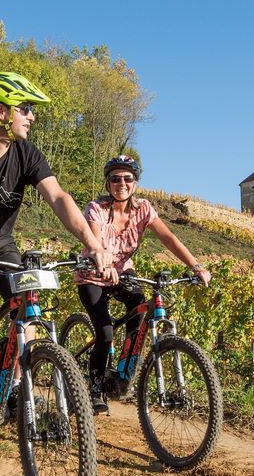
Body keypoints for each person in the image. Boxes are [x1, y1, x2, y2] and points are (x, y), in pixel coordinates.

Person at [0, 71, 113, 407]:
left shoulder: (27, 153)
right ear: (1, 111)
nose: (32, 116)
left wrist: (93, 243)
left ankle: (15, 385)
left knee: (27, 305)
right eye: (25, 108)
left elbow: (58, 197)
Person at [74, 155, 211, 413]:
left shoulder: (144, 209)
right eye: (115, 179)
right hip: (93, 274)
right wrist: (103, 264)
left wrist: (195, 265)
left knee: (138, 312)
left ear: (135, 183)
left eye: (127, 178)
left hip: (123, 274)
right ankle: (94, 388)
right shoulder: (97, 208)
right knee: (105, 333)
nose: (121, 183)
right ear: (108, 183)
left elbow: (168, 237)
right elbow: (95, 238)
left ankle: (122, 374)